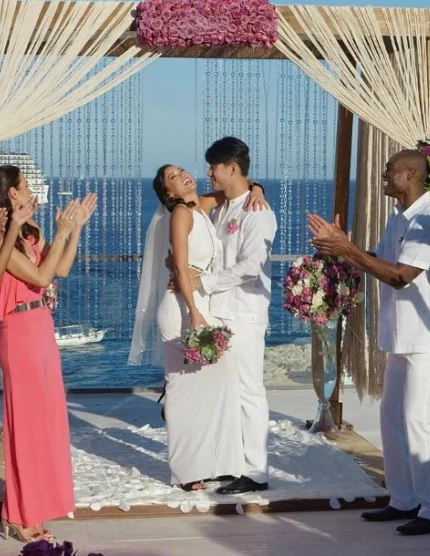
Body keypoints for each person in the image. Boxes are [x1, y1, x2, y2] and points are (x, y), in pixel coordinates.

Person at [308, 149, 430, 536]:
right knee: (391, 417)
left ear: (411, 175)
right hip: (400, 334)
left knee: (418, 421)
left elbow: (400, 275)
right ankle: (403, 498)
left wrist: (349, 249)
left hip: (427, 338)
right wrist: (343, 249)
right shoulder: (400, 219)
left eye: (390, 169)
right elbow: (382, 260)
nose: (383, 174)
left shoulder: (429, 219)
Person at [129, 163, 267, 492]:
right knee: (183, 389)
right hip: (181, 307)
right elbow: (178, 264)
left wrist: (258, 189)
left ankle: (216, 463)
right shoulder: (180, 214)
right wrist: (194, 311)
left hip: (201, 302)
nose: (183, 175)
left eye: (181, 170)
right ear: (169, 193)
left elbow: (237, 188)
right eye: (173, 178)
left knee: (214, 384)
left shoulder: (202, 206)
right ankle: (188, 470)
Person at [0, 165, 96, 543]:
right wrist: (57, 232)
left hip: (41, 327)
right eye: (24, 185)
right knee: (24, 427)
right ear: (11, 194)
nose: (31, 190)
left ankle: (33, 509)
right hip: (17, 334)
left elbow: (61, 269)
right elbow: (39, 279)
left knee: (45, 424)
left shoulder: (29, 233)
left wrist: (72, 231)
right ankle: (18, 514)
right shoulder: (3, 238)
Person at [182, 138, 277, 496]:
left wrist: (202, 282)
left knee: (249, 391)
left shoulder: (258, 211)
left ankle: (255, 471)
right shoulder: (223, 206)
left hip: (244, 312)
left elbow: (251, 266)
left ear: (231, 168)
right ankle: (229, 463)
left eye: (214, 167)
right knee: (225, 393)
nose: (208, 173)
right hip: (217, 310)